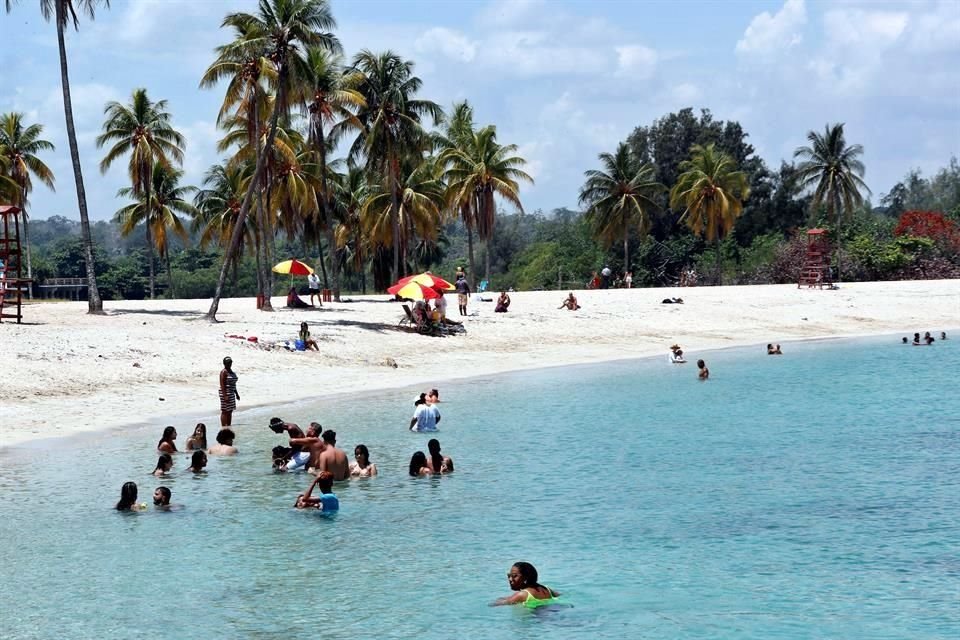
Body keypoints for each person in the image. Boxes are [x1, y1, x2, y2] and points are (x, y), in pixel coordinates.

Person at [491, 562, 561, 608]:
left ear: (525, 577)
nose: (510, 579)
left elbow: (494, 605)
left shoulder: (522, 595)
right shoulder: (547, 589)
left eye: (514, 576)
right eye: (509, 575)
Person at [219, 357, 239, 427]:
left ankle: (228, 425)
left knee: (230, 410)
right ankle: (224, 426)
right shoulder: (223, 372)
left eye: (230, 362)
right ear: (224, 363)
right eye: (227, 363)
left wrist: (236, 394)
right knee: (225, 410)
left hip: (231, 392)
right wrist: (225, 396)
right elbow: (222, 384)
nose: (229, 364)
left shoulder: (232, 372)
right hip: (225, 392)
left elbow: (233, 384)